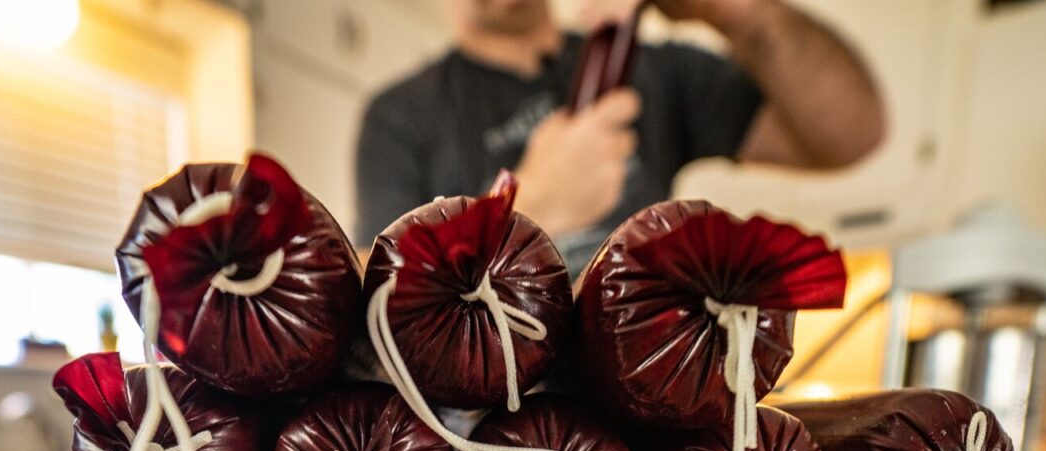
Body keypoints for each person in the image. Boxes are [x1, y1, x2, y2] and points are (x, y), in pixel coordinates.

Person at [355, 0, 886, 274]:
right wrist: (530, 209)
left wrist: (737, 12)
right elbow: (382, 299)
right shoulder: (399, 116)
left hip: (651, 406)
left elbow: (850, 136)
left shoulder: (655, 69)